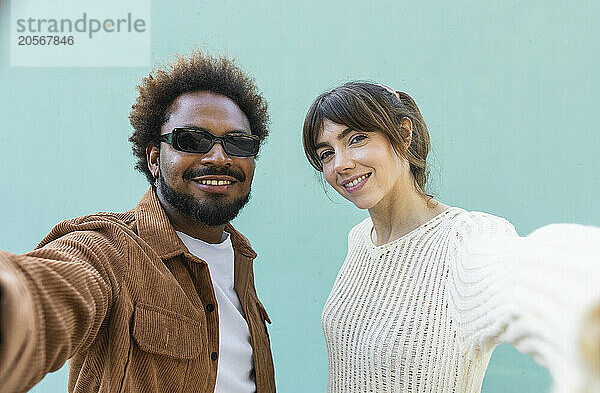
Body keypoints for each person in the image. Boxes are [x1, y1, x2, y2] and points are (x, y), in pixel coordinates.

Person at [0, 52, 276, 393]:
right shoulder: (108, 251)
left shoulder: (241, 263)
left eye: (237, 143)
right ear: (155, 158)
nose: (218, 157)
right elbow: (40, 295)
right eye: (191, 140)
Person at [302, 81, 600, 392]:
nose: (341, 164)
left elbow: (531, 281)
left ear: (404, 133)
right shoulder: (360, 239)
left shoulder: (468, 239)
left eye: (357, 139)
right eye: (326, 153)